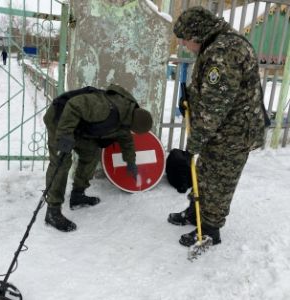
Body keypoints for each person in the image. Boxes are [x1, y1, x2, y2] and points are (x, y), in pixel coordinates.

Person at [168, 6, 269, 247]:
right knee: (203, 171)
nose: (183, 45)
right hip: (222, 128)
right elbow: (208, 90)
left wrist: (193, 144)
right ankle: (195, 213)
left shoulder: (223, 52)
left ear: (197, 35)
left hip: (234, 133)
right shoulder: (216, 45)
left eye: (184, 40)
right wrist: (189, 99)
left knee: (219, 180)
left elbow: (214, 108)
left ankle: (210, 229)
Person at [43, 84, 153, 232]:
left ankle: (78, 195)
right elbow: (74, 106)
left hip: (79, 127)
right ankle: (53, 211)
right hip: (60, 120)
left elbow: (126, 139)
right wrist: (65, 136)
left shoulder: (127, 117)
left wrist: (130, 161)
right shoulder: (106, 109)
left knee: (91, 153)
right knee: (61, 162)